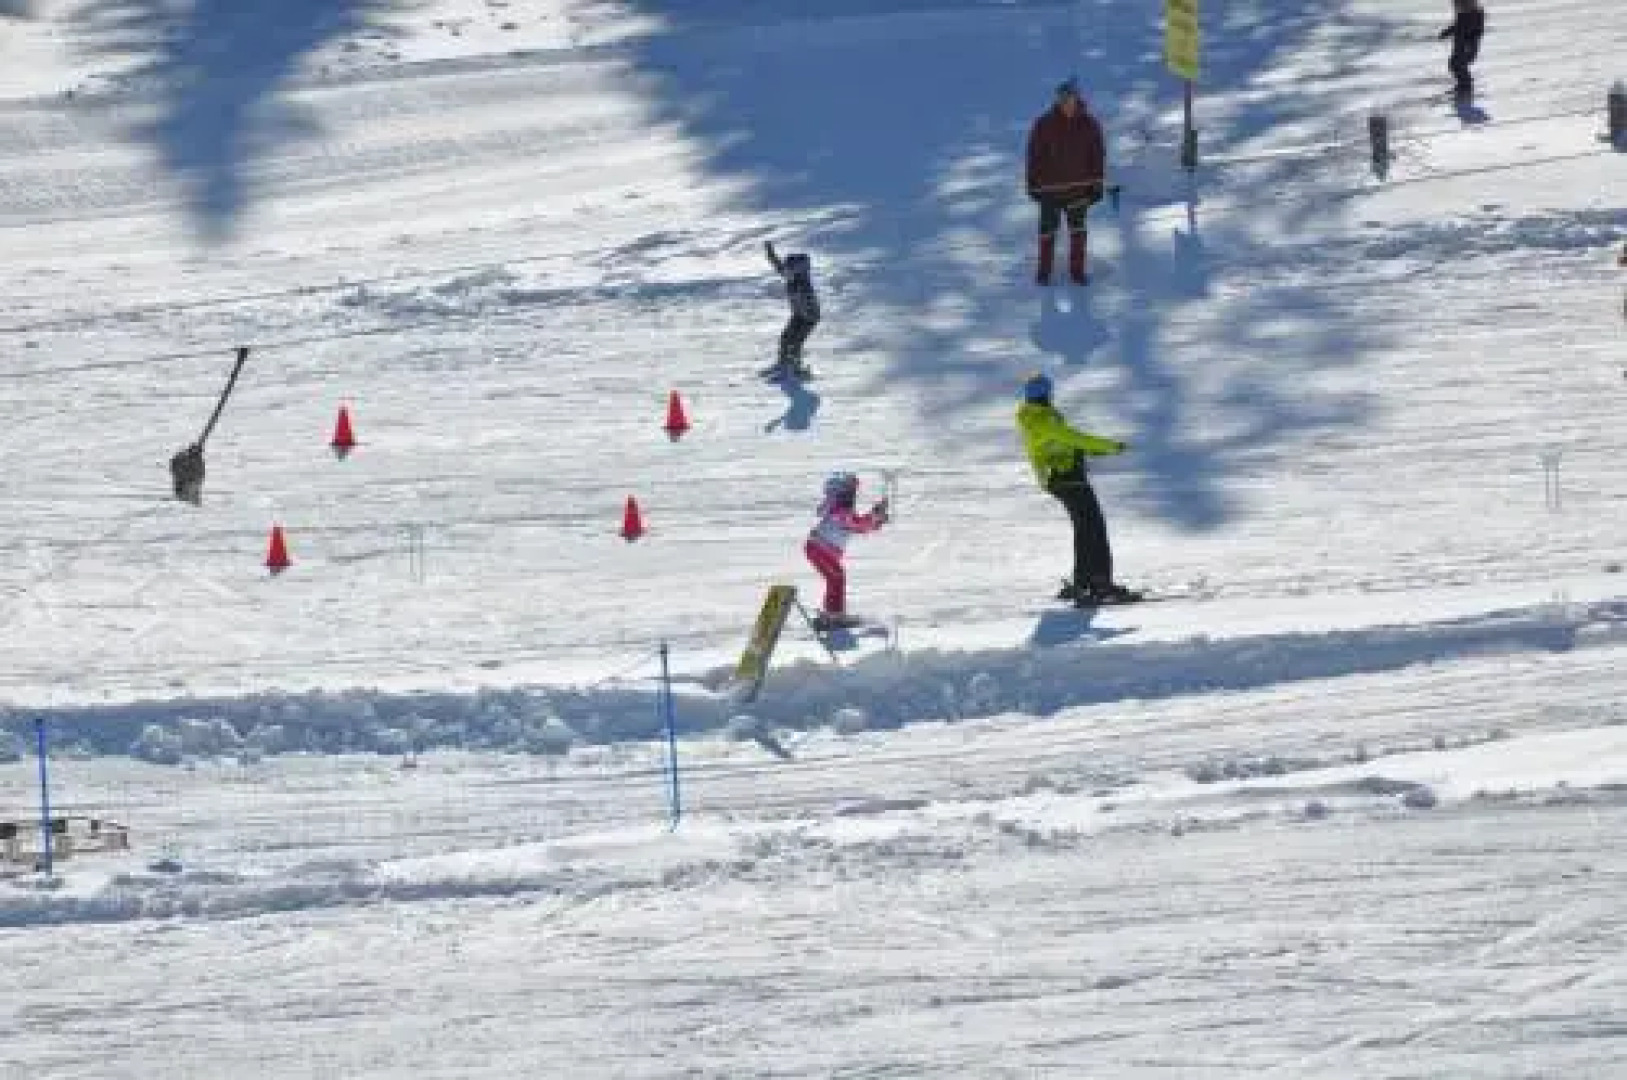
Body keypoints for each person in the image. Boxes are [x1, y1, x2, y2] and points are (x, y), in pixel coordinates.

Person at [1015, 372, 1140, 605]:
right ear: (1046, 393)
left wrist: (1094, 450)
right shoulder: (1041, 419)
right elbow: (1072, 437)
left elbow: (1065, 443)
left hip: (1062, 476)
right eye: (1049, 392)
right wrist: (1109, 446)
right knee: (1094, 528)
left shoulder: (1038, 417)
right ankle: (1100, 584)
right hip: (1067, 477)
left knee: (1085, 528)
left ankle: (1084, 582)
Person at [1025, 78, 1106, 286]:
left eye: (1070, 99)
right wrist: (1032, 184)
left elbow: (1097, 157)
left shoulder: (1090, 125)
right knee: (1047, 233)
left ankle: (1077, 272)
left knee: (1078, 233)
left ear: (1078, 99)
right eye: (1063, 99)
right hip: (1050, 192)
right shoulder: (1043, 125)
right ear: (1058, 100)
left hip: (1079, 192)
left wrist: (1097, 184)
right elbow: (1034, 157)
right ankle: (1044, 272)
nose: (1067, 103)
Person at [805, 471, 888, 629]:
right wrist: (874, 516)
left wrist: (876, 520)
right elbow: (856, 524)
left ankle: (831, 614)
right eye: (850, 493)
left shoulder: (841, 510)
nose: (853, 497)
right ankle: (834, 616)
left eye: (853, 493)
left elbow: (858, 527)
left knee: (835, 578)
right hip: (820, 548)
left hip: (819, 548)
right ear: (841, 493)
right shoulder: (840, 510)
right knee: (837, 577)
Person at [764, 241, 821, 379]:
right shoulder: (792, 276)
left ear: (798, 269)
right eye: (787, 268)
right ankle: (783, 363)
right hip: (798, 315)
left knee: (795, 342)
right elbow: (779, 267)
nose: (786, 271)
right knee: (785, 338)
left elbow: (808, 303)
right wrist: (770, 253)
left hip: (809, 317)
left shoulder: (802, 282)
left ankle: (797, 368)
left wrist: (804, 317)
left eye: (790, 268)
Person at [1438, 0, 1485, 100]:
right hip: (1463, 36)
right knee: (1455, 63)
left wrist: (1470, 42)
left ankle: (1465, 88)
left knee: (1458, 63)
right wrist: (1448, 31)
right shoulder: (1465, 12)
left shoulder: (1473, 12)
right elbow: (1459, 22)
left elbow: (1471, 25)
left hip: (1468, 36)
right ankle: (1463, 86)